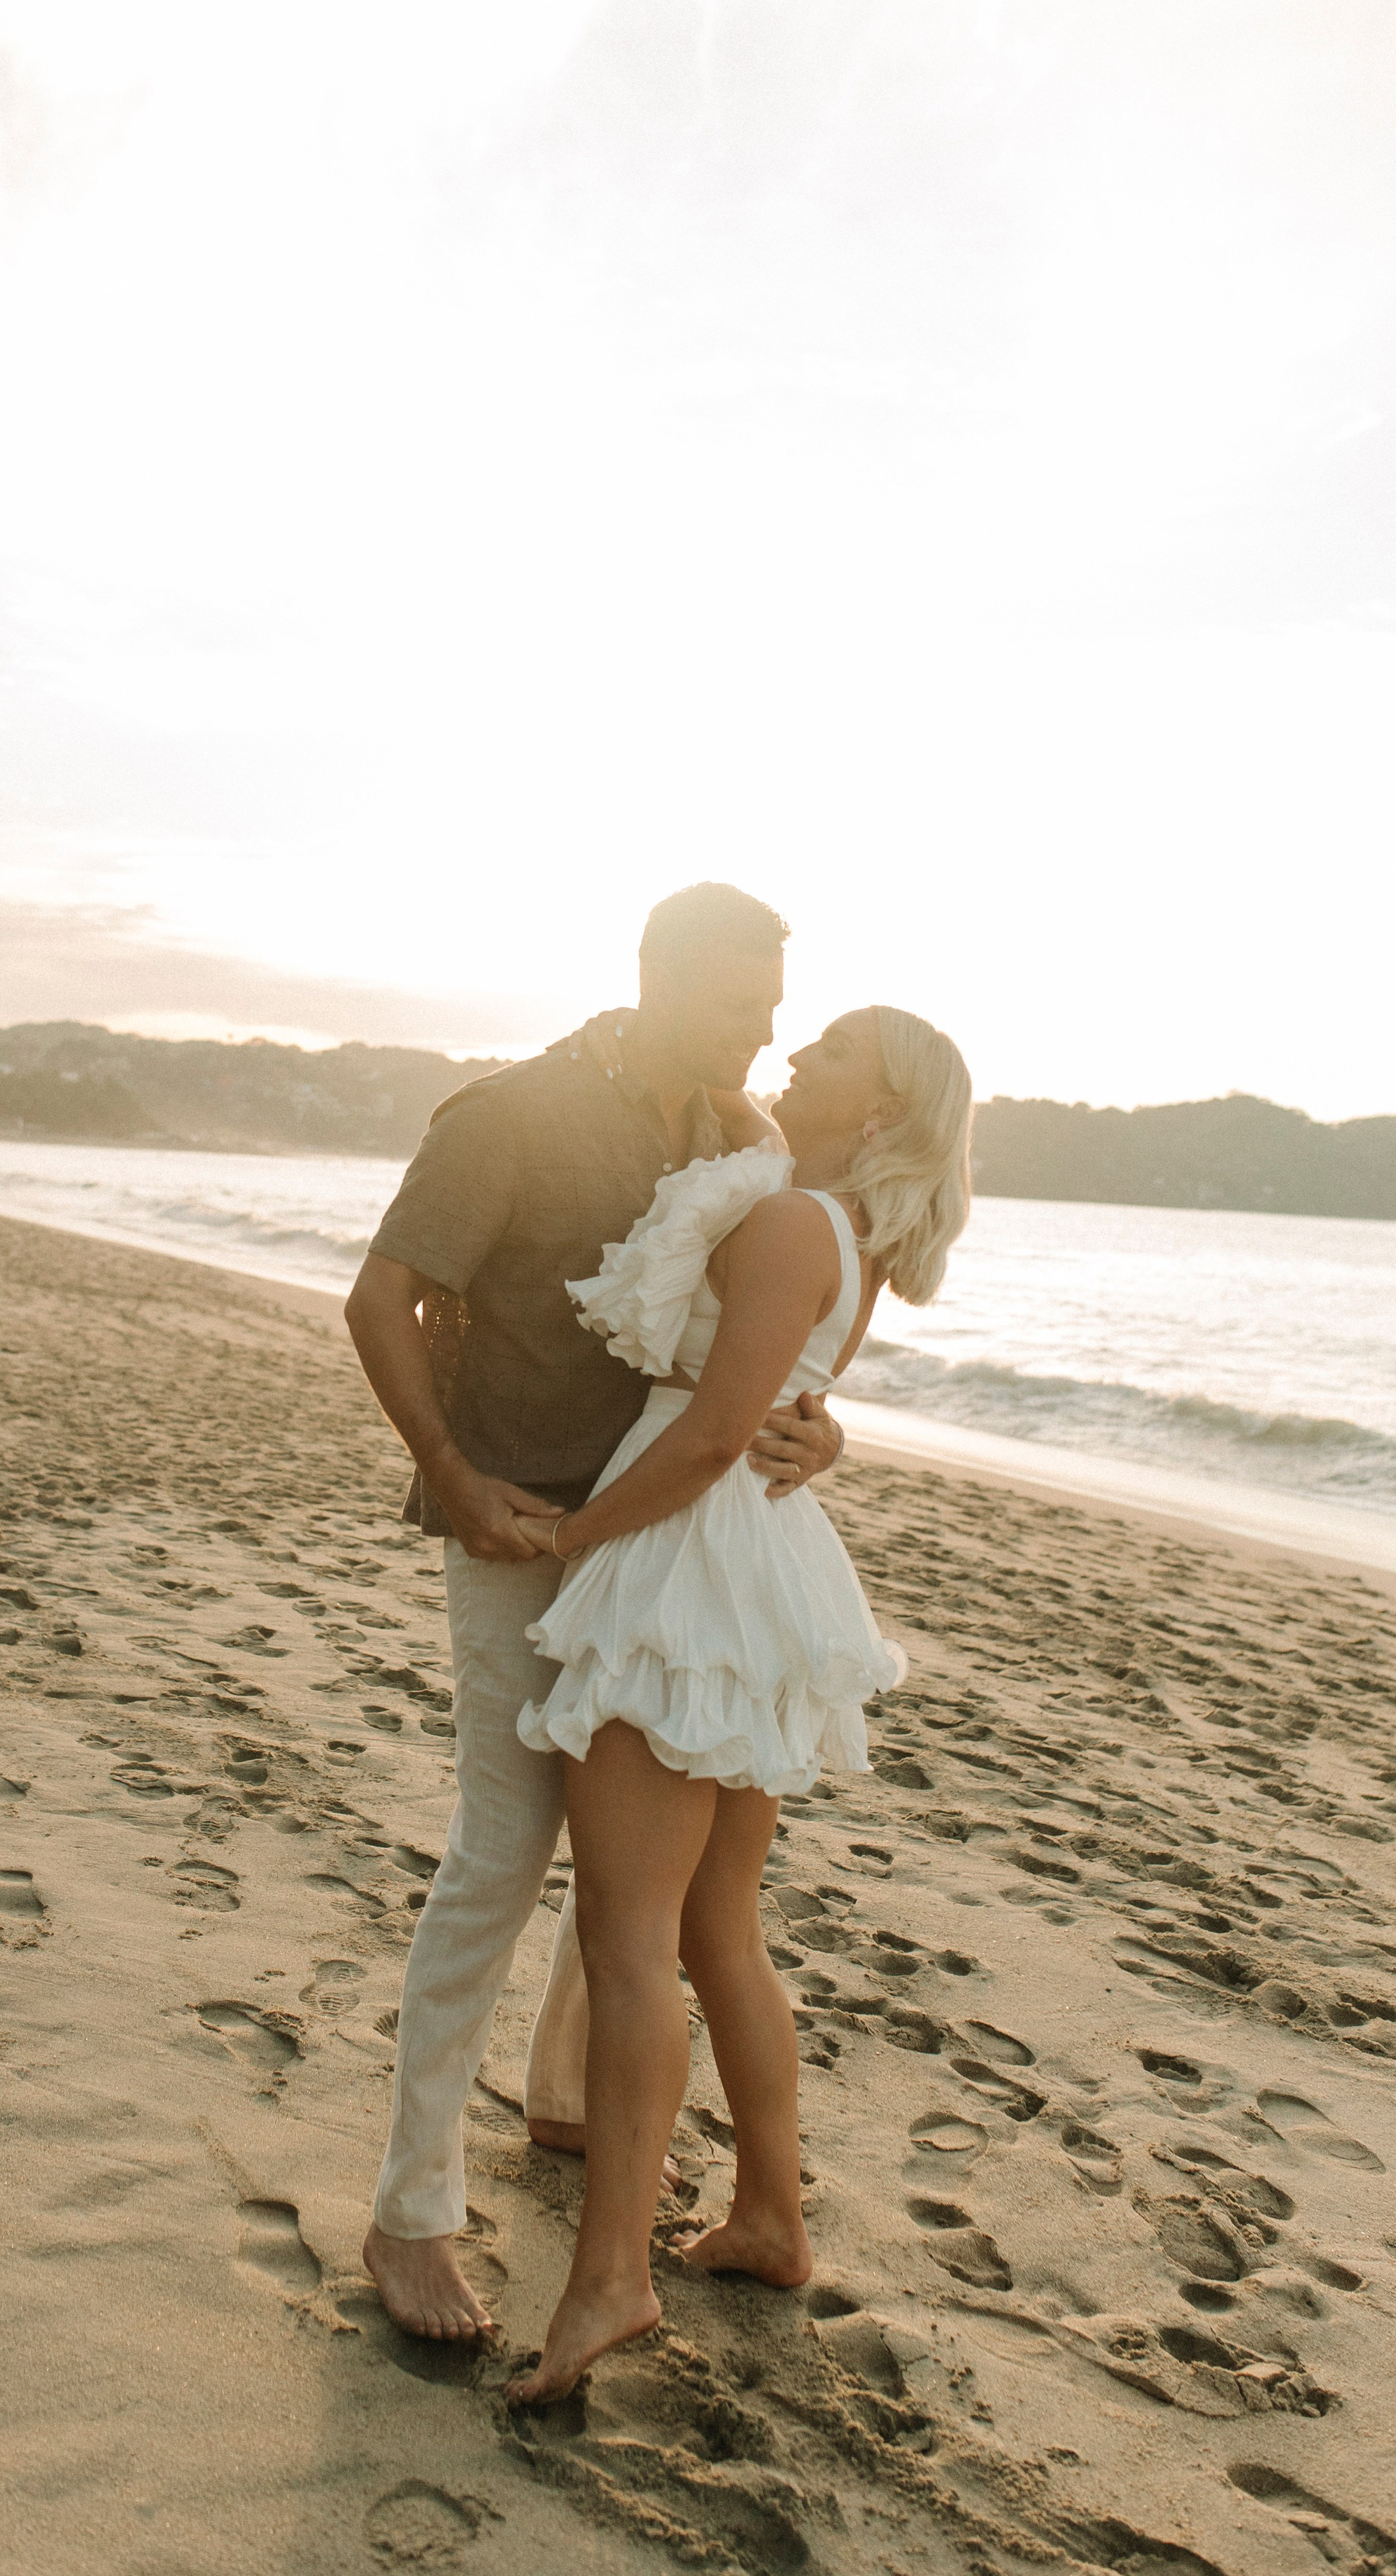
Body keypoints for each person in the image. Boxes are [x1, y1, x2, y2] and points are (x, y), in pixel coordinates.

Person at [344, 884, 847, 2342]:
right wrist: (449, 1470)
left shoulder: (735, 1136)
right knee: (503, 1852)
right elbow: (381, 1301)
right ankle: (411, 2217)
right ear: (665, 980)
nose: (765, 1033)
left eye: (773, 1014)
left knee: (635, 1860)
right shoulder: (505, 1117)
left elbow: (768, 1337)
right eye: (745, 1004)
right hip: (514, 1523)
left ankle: (565, 2097)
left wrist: (823, 1434)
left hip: (668, 1541)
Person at [504, 1003, 973, 2404]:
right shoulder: (835, 1227)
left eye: (832, 1052)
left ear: (882, 1110)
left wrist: (562, 1541)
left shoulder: (789, 1225)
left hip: (686, 1558)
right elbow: (781, 1397)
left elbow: (715, 1429)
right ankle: (769, 2218)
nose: (800, 1057)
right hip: (751, 1566)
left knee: (634, 1934)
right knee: (716, 1924)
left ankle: (610, 2284)